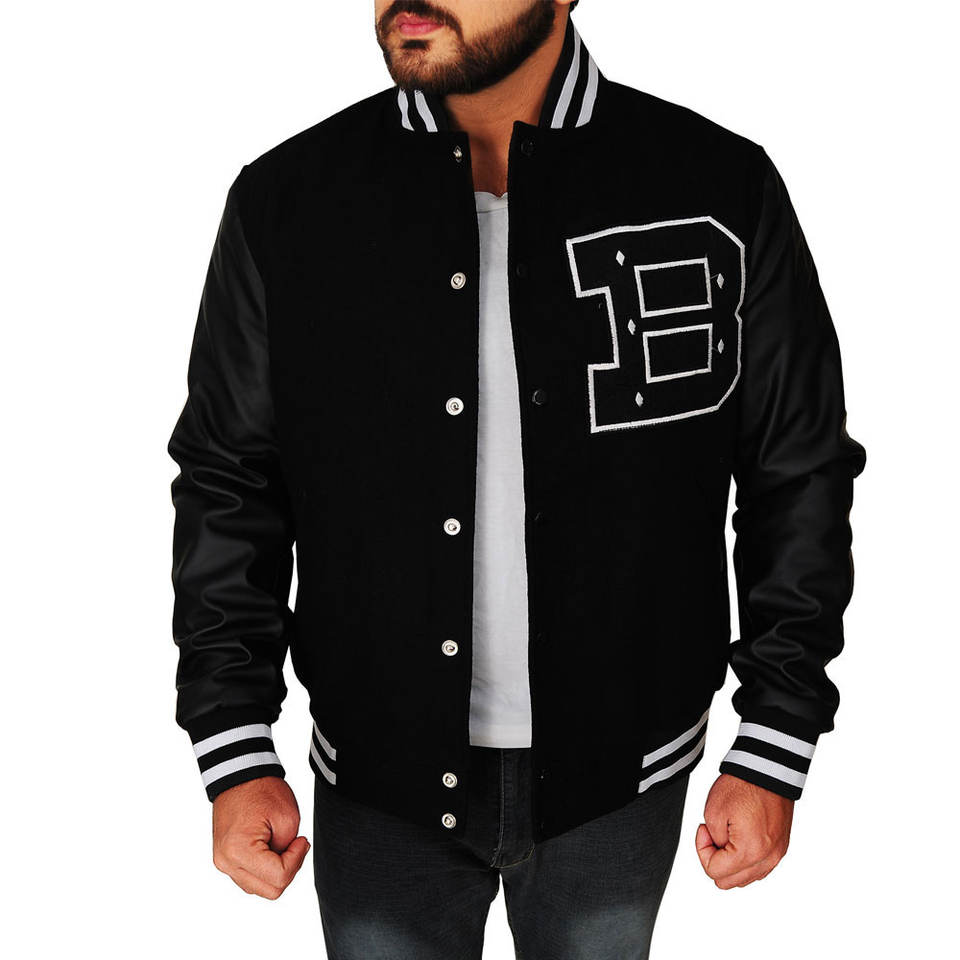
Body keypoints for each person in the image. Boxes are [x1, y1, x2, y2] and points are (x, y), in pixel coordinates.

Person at [166, 1, 866, 956]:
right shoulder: (290, 201)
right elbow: (230, 481)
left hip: (623, 772)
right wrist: (235, 744)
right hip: (377, 774)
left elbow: (797, 469)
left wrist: (776, 740)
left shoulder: (715, 185)